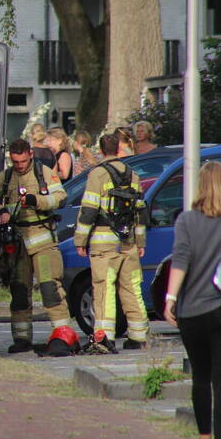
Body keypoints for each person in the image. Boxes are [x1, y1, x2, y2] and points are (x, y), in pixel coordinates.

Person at [0, 138, 72, 353]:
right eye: (15, 162)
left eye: (23, 161)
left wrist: (37, 201)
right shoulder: (6, 177)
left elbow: (60, 197)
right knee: (19, 291)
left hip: (42, 239)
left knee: (50, 288)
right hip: (17, 243)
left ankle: (63, 335)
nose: (20, 166)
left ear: (30, 154)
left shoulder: (44, 172)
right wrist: (0, 210)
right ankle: (22, 339)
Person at [164, 161, 221, 439]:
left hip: (192, 312)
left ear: (201, 186)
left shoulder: (186, 221)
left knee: (200, 377)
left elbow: (180, 261)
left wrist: (170, 299)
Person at [73, 133, 149, 353]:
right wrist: (140, 241)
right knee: (132, 288)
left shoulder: (97, 174)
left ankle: (104, 338)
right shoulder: (132, 174)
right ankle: (138, 336)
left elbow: (89, 209)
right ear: (118, 149)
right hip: (129, 242)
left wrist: (80, 239)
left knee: (104, 289)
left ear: (101, 149)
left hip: (103, 242)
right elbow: (140, 211)